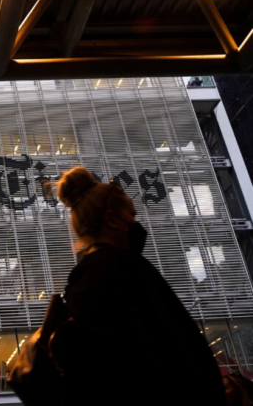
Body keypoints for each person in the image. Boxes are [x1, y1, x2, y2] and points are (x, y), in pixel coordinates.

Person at [49, 167, 225, 405]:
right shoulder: (124, 267)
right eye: (131, 215)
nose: (135, 222)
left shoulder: (81, 282)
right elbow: (170, 349)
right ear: (112, 220)